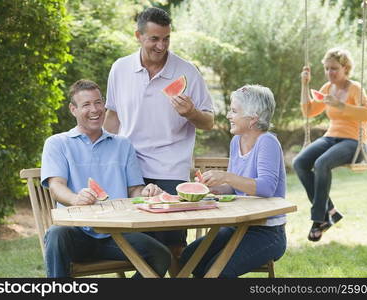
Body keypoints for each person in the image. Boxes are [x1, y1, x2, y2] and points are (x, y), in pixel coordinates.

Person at [103, 7, 214, 261]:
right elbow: (112, 117)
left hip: (170, 170)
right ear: (138, 36)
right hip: (129, 170)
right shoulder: (120, 69)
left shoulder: (187, 72)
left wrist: (191, 113)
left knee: (173, 247)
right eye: (154, 38)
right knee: (136, 246)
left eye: (166, 38)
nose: (161, 46)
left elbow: (208, 121)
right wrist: (103, 157)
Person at [41, 79, 172, 278]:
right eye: (86, 105)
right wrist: (76, 199)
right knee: (56, 234)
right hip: (76, 233)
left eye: (98, 102)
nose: (94, 109)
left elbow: (134, 190)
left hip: (117, 234)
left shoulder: (122, 144)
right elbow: (56, 186)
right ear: (73, 109)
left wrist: (146, 192)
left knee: (161, 256)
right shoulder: (57, 143)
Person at [179, 84, 287, 278]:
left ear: (252, 119)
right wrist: (215, 188)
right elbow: (234, 188)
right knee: (189, 257)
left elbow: (266, 187)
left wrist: (227, 176)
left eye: (234, 111)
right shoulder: (236, 141)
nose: (229, 115)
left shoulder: (267, 142)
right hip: (236, 227)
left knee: (218, 272)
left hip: (266, 233)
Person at [292, 47, 367, 242]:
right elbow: (308, 111)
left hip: (355, 142)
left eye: (334, 68)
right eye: (327, 69)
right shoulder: (327, 88)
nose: (330, 73)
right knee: (299, 163)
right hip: (331, 137)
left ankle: (318, 219)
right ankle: (330, 211)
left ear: (345, 68)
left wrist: (341, 105)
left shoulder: (355, 88)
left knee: (321, 163)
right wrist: (304, 85)